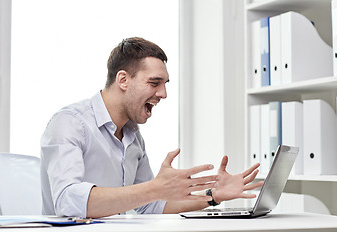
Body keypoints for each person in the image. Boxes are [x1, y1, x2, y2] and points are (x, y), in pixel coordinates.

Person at [40, 37, 263, 219]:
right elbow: (67, 201)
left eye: (165, 84)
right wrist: (155, 188)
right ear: (123, 80)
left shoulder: (132, 135)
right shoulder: (70, 123)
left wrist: (213, 195)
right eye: (154, 83)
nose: (163, 94)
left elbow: (151, 206)